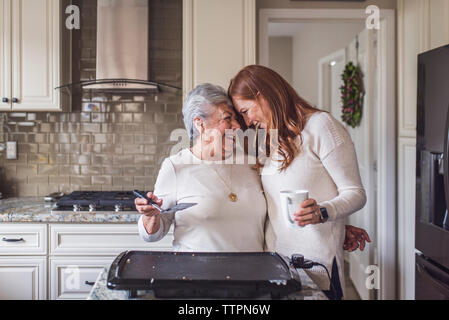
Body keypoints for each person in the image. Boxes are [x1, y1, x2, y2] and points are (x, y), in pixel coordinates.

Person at [136, 83, 370, 296]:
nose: (238, 126)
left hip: (253, 283)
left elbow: (275, 208)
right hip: (198, 283)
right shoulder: (176, 167)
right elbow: (153, 234)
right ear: (200, 123)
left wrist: (334, 223)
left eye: (238, 117)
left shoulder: (251, 159)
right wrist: (150, 218)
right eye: (227, 118)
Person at [228, 65, 367, 300]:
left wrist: (323, 212)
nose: (248, 120)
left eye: (246, 110)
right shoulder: (270, 140)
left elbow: (355, 193)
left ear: (262, 95)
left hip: (317, 268)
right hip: (279, 267)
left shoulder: (322, 126)